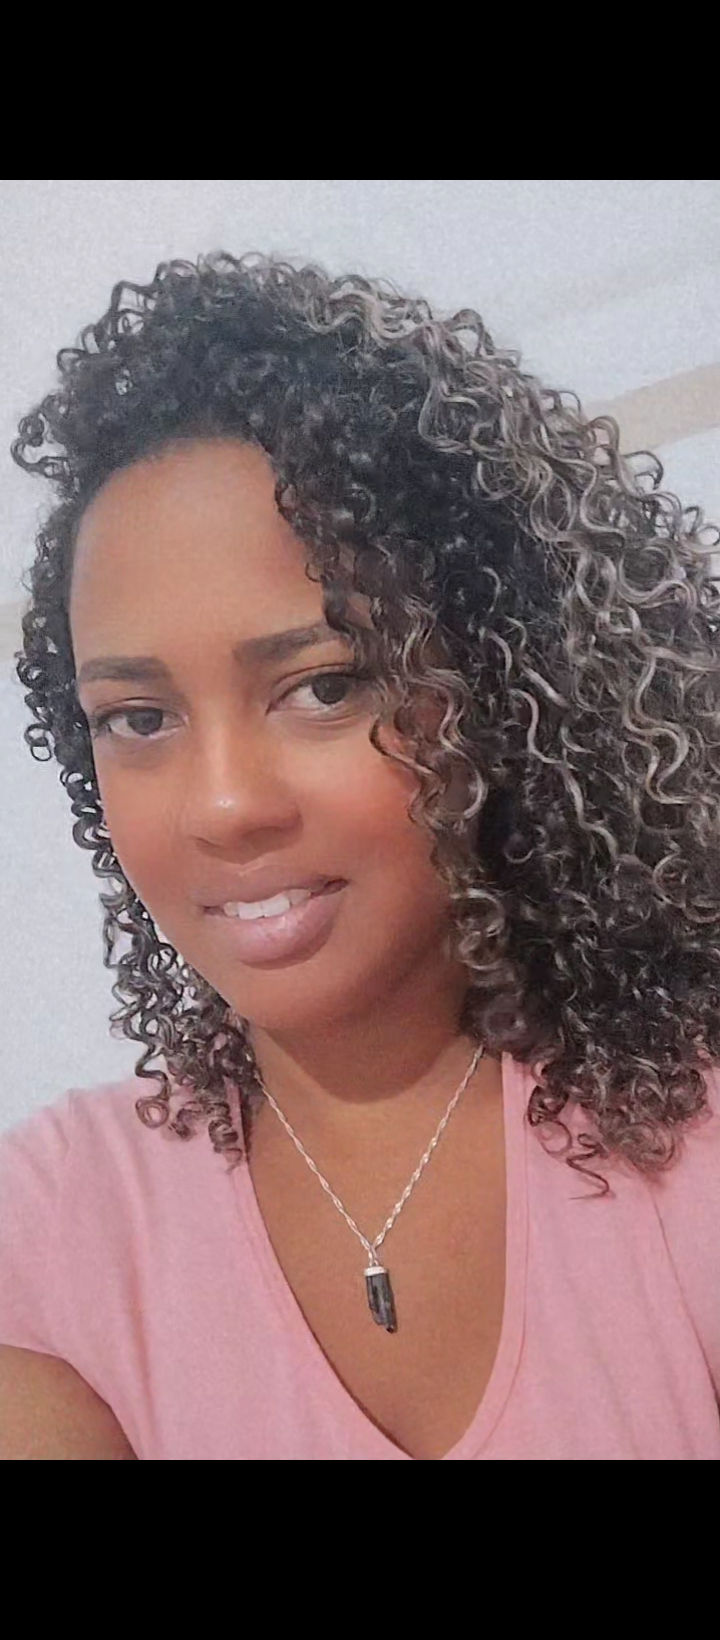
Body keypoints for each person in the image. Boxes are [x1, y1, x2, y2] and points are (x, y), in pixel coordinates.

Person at [2, 251, 720, 1462]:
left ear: (504, 687)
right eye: (140, 716)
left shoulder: (689, 1140)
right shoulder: (56, 1233)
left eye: (324, 686)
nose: (224, 806)